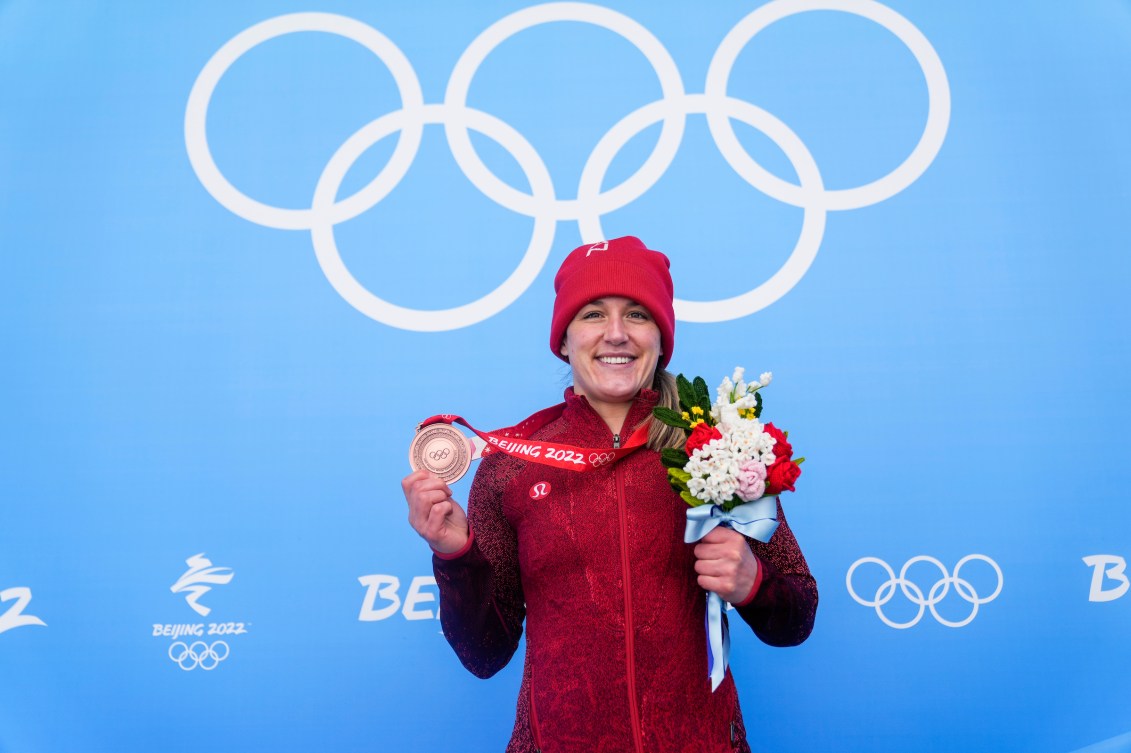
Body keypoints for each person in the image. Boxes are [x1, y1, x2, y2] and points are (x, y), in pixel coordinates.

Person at [402, 236, 817, 753]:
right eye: (594, 314)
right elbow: (484, 654)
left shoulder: (720, 449)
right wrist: (456, 556)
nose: (616, 334)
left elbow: (796, 620)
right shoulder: (510, 465)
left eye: (638, 315)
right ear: (563, 339)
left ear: (662, 340)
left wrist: (754, 583)